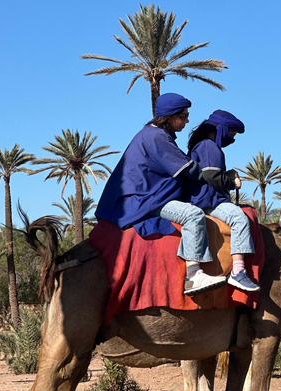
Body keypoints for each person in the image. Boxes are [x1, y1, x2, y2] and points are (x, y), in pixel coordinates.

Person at [95, 92, 227, 296]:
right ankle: (193, 275)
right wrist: (220, 179)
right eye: (183, 116)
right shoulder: (157, 137)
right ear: (169, 116)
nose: (187, 120)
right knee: (193, 215)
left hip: (142, 196)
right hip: (144, 199)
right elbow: (188, 170)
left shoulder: (152, 134)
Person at [185, 110, 259, 291]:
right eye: (231, 134)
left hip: (202, 198)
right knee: (239, 218)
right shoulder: (209, 146)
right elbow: (211, 177)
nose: (231, 140)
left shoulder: (201, 146)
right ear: (222, 130)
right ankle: (238, 272)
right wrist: (232, 182)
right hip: (208, 200)